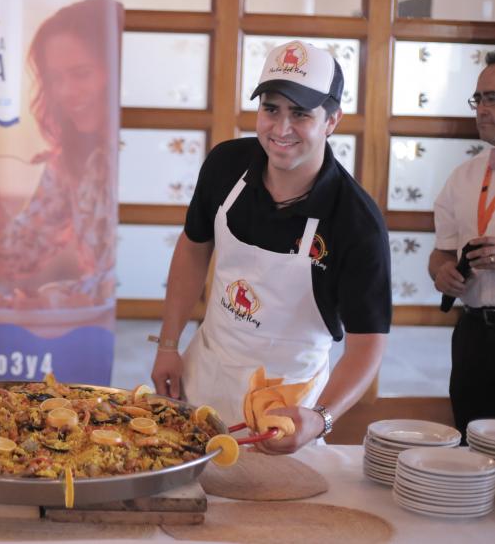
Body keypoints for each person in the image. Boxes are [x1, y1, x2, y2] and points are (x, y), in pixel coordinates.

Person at [150, 40, 391, 453]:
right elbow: (193, 248)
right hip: (205, 369)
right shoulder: (226, 166)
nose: (281, 129)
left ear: (332, 120)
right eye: (271, 109)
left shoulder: (355, 222)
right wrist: (169, 344)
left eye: (300, 114)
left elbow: (368, 344)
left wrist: (320, 418)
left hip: (287, 407)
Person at [0, 0, 122, 309]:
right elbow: (17, 259)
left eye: (81, 73)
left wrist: (52, 300)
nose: (66, 92)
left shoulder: (152, 150)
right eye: (55, 79)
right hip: (95, 334)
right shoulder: (68, 160)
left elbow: (129, 275)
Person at [429, 50, 495, 442]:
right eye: (479, 99)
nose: (483, 110)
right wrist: (441, 272)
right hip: (473, 334)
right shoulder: (464, 177)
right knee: (470, 447)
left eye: (493, 98)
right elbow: (442, 251)